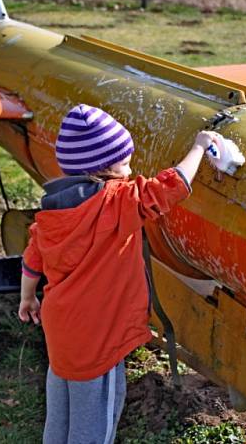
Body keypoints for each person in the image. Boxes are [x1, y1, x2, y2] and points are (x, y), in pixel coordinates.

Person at [18, 104, 223, 444]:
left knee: (61, 413)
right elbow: (170, 186)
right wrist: (200, 146)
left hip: (61, 329)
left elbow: (32, 261)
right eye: (126, 162)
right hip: (100, 336)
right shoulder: (120, 200)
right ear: (106, 168)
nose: (131, 170)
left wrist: (27, 298)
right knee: (95, 426)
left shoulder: (50, 214)